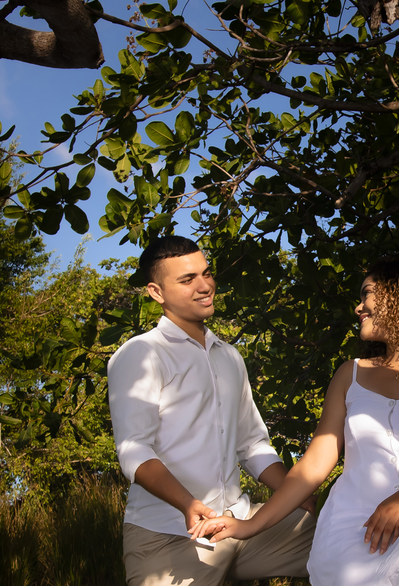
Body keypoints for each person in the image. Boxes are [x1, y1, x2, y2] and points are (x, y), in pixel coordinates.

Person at [190, 258, 399, 586]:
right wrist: (249, 526)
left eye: (367, 294)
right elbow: (314, 465)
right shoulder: (351, 374)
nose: (359, 307)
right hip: (352, 531)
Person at [108, 235, 316, 586]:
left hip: (240, 523)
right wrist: (187, 503)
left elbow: (251, 444)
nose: (205, 286)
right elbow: (134, 449)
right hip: (170, 535)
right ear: (156, 292)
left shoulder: (229, 356)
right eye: (187, 279)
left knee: (350, 535)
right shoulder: (141, 354)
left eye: (206, 273)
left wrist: (295, 494)